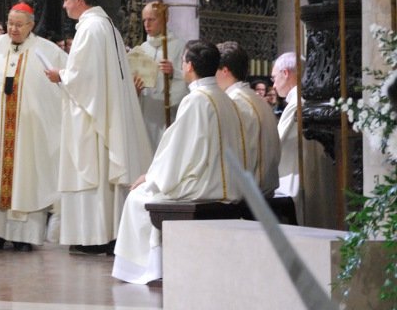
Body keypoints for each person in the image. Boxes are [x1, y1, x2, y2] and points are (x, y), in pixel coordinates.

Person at [112, 40, 245, 284]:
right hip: (228, 184)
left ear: (189, 66)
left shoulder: (196, 100)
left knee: (138, 198)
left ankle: (145, 270)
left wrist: (151, 179)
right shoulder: (225, 98)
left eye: (183, 61)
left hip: (204, 186)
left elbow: (177, 152)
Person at [44, 0, 152, 254]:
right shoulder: (107, 26)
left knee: (91, 171)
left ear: (79, 0)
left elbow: (83, 77)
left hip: (92, 118)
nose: (64, 5)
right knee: (102, 174)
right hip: (104, 110)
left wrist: (60, 75)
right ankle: (106, 234)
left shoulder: (90, 29)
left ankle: (94, 238)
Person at [0, 0, 68, 251]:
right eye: (10, 24)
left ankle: (25, 237)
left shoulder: (47, 51)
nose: (13, 29)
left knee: (27, 179)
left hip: (29, 133)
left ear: (31, 26)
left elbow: (70, 77)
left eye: (19, 25)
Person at [271, 52, 335, 226]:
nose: (273, 85)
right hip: (319, 178)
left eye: (274, 78)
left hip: (297, 180)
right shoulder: (311, 100)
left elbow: (274, 145)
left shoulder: (296, 104)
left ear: (286, 73)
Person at [216, 41, 280, 196]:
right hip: (267, 189)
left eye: (214, 71)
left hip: (248, 197)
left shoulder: (234, 102)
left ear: (225, 71)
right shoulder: (257, 100)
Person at [133, 1, 188, 149]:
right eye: (144, 20)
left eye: (151, 19)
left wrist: (173, 73)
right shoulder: (142, 49)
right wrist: (135, 90)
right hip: (147, 112)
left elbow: (190, 79)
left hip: (168, 113)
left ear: (165, 19)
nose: (146, 24)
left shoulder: (180, 46)